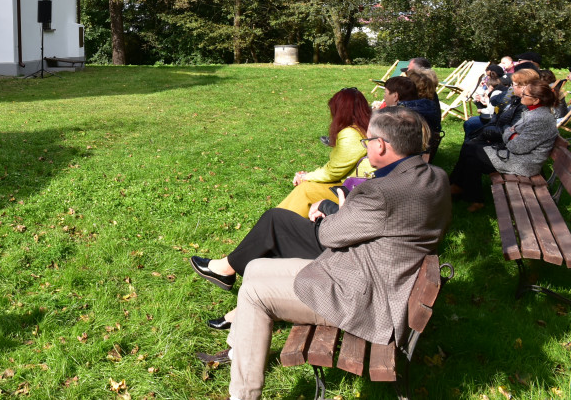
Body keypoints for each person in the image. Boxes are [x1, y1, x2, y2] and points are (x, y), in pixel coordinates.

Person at [192, 107, 451, 400]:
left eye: (368, 141)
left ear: (381, 145)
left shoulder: (381, 191)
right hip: (379, 279)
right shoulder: (435, 177)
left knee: (254, 293)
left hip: (366, 298)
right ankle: (239, 349)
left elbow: (328, 235)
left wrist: (335, 210)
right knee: (255, 269)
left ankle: (242, 395)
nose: (366, 147)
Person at [450, 79, 559, 212]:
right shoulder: (533, 112)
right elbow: (510, 130)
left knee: (472, 151)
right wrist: (512, 133)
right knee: (471, 151)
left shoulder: (540, 118)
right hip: (518, 155)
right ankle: (468, 194)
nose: (521, 95)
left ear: (536, 100)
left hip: (525, 163)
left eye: (525, 94)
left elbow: (516, 147)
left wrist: (511, 133)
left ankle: (461, 190)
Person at [277, 88, 372, 217]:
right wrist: (309, 175)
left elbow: (333, 171)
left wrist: (305, 177)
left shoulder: (350, 133)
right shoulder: (367, 127)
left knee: (305, 191)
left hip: (356, 193)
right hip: (363, 188)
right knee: (309, 186)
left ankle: (275, 223)